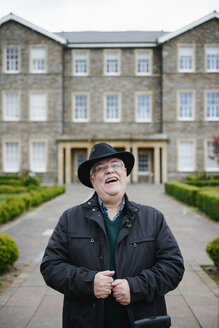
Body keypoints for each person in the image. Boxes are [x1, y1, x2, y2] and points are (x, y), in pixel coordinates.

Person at [40, 142, 184, 328]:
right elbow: (51, 267)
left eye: (115, 164)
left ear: (124, 172)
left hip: (141, 320)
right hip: (85, 321)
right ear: (92, 180)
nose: (109, 170)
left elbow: (173, 266)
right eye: (100, 168)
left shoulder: (153, 217)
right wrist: (89, 283)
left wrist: (135, 287)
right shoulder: (70, 218)